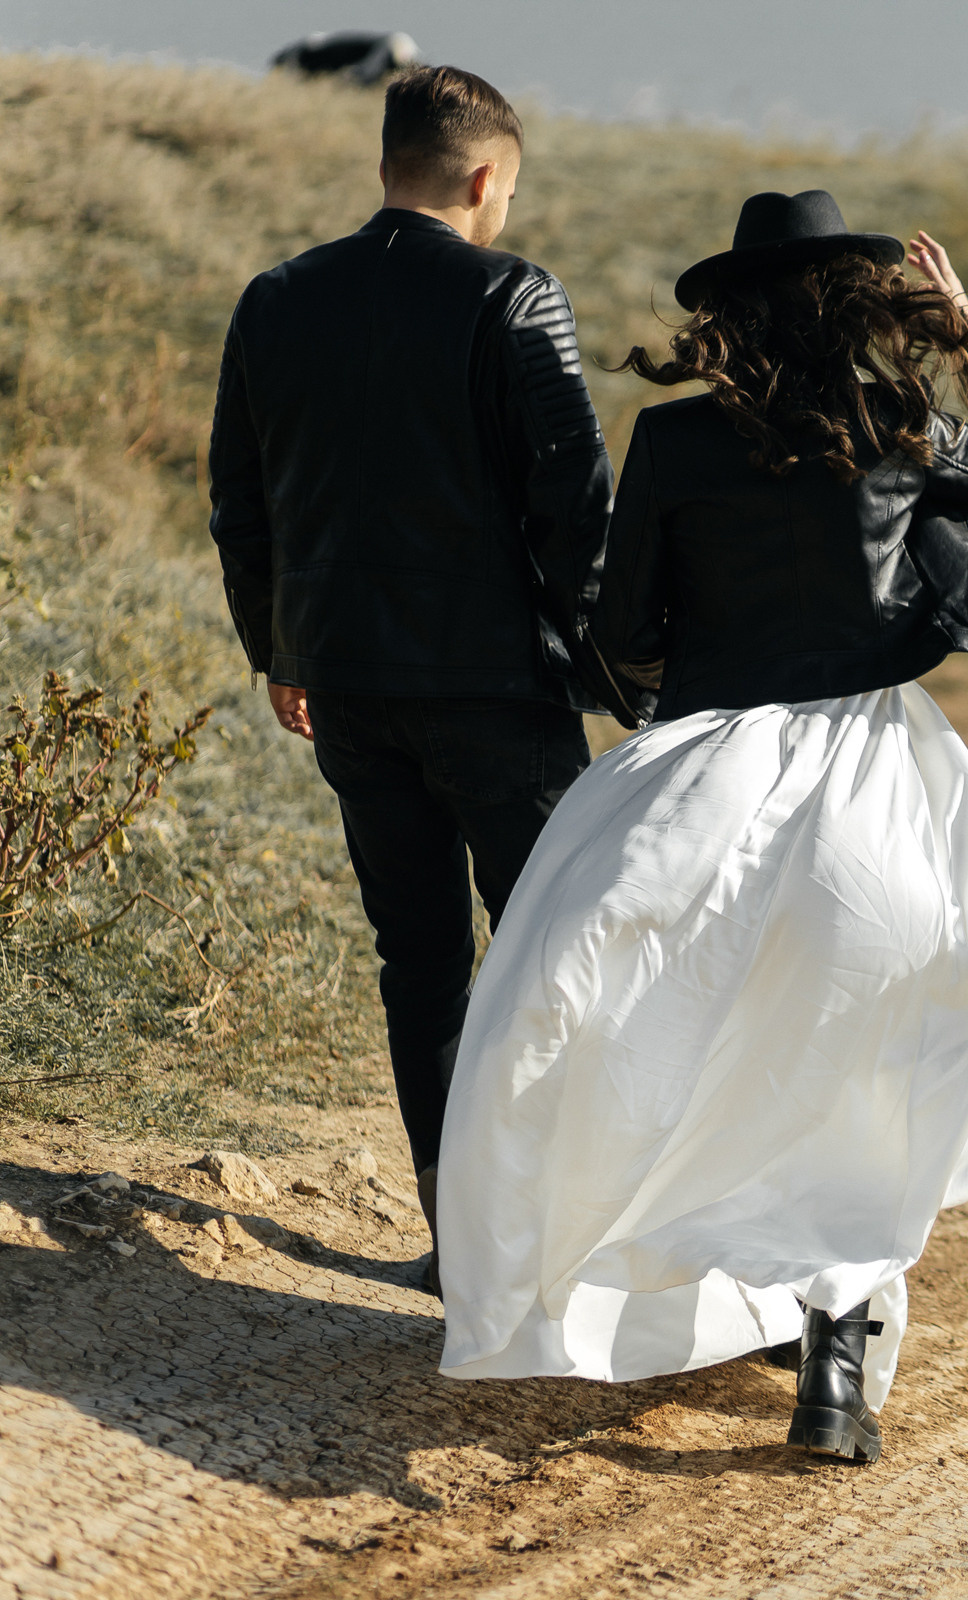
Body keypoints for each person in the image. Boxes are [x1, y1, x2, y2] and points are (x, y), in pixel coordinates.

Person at [433, 191, 968, 1465]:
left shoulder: (673, 438)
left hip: (708, 782)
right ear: (857, 304)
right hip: (877, 790)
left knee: (666, 1044)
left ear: (725, 316)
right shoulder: (900, 425)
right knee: (858, 1081)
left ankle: (616, 1276)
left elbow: (625, 634)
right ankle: (831, 1374)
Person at [207, 66, 644, 1297]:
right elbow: (575, 506)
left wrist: (278, 648)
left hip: (345, 684)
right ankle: (588, 1240)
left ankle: (465, 1248)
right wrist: (614, 666)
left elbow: (240, 499)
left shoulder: (276, 298)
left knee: (421, 964)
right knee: (566, 951)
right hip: (497, 690)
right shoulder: (514, 295)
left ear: (386, 164)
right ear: (485, 176)